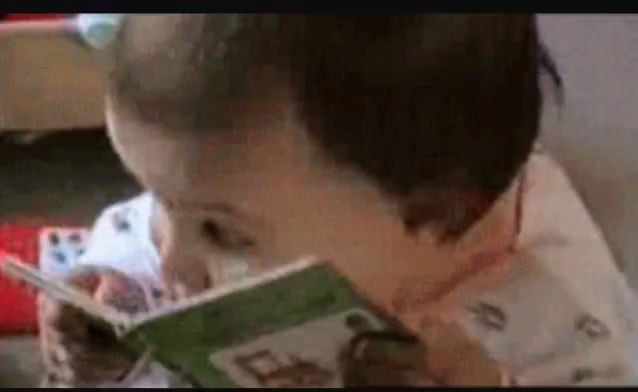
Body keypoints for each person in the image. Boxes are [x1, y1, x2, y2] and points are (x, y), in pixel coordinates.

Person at [41, 14, 638, 386]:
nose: (169, 259)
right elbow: (141, 240)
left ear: (437, 215)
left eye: (223, 234)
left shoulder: (563, 319)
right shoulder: (222, 200)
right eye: (155, 196)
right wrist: (110, 291)